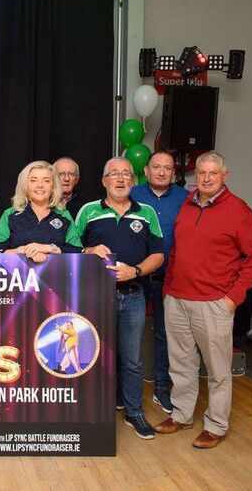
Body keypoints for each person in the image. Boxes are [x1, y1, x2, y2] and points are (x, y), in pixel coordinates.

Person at [155, 152, 252, 449]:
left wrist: (232, 299)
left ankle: (216, 425)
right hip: (177, 298)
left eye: (213, 173)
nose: (206, 178)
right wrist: (168, 288)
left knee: (217, 370)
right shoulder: (187, 205)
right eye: (201, 172)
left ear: (224, 176)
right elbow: (176, 251)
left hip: (214, 302)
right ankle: (181, 414)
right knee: (181, 364)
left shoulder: (239, 211)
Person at [77, 156, 164, 440]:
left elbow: (158, 255)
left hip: (134, 295)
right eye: (114, 173)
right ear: (104, 181)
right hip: (94, 298)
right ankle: (93, 413)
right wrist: (89, 251)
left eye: (126, 174)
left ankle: (134, 411)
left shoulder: (146, 212)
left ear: (133, 181)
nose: (120, 178)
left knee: (132, 359)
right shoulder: (88, 211)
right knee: (94, 356)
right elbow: (68, 248)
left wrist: (134, 271)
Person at [130, 151, 188, 414]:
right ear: (146, 169)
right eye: (156, 167)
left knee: (166, 336)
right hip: (137, 277)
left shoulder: (186, 199)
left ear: (173, 172)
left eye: (167, 168)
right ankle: (125, 390)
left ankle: (162, 387)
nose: (162, 172)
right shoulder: (132, 196)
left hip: (171, 279)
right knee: (129, 334)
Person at [0, 160, 82, 261]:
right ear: (25, 185)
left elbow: (78, 250)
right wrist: (23, 250)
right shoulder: (10, 214)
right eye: (33, 180)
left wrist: (49, 248)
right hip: (17, 275)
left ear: (53, 186)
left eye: (46, 181)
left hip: (56, 275)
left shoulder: (64, 215)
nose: (40, 185)